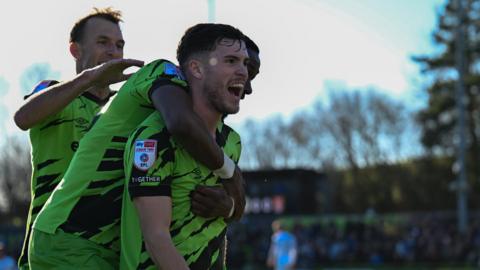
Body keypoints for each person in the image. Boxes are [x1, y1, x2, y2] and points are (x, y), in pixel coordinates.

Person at [28, 23, 260, 270]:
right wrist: (230, 172)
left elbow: (216, 221)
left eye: (250, 71)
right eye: (233, 62)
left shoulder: (219, 139)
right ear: (197, 68)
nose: (247, 85)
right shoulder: (165, 80)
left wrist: (231, 207)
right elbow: (180, 123)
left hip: (110, 245)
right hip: (72, 237)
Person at [13, 8, 143, 270]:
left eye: (119, 45)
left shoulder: (129, 109)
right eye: (102, 42)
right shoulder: (54, 92)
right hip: (55, 249)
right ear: (75, 50)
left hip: (114, 254)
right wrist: (88, 79)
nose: (113, 52)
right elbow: (23, 117)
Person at [120, 23, 249, 270]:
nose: (243, 71)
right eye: (231, 61)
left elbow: (218, 227)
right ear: (196, 69)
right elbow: (157, 238)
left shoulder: (232, 141)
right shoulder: (154, 138)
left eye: (244, 63)